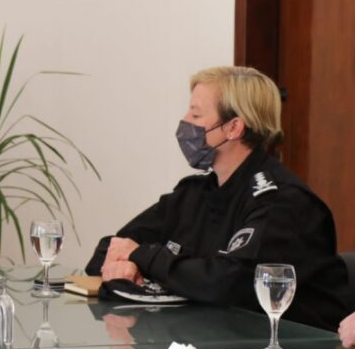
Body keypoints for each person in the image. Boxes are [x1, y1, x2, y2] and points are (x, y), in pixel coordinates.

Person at [85, 66, 350, 329]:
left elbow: (226, 283)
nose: (185, 121)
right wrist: (129, 263)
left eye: (196, 114)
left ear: (233, 127)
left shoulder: (282, 202)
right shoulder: (194, 194)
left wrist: (143, 257)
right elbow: (108, 250)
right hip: (216, 344)